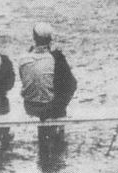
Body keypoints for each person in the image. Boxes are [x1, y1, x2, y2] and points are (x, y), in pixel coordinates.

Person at [18, 23, 77, 157]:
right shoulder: (56, 58)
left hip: (30, 107)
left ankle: (44, 148)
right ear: (50, 39)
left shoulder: (23, 58)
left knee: (46, 92)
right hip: (51, 107)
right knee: (60, 92)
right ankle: (58, 137)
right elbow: (72, 85)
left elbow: (25, 81)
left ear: (34, 38)